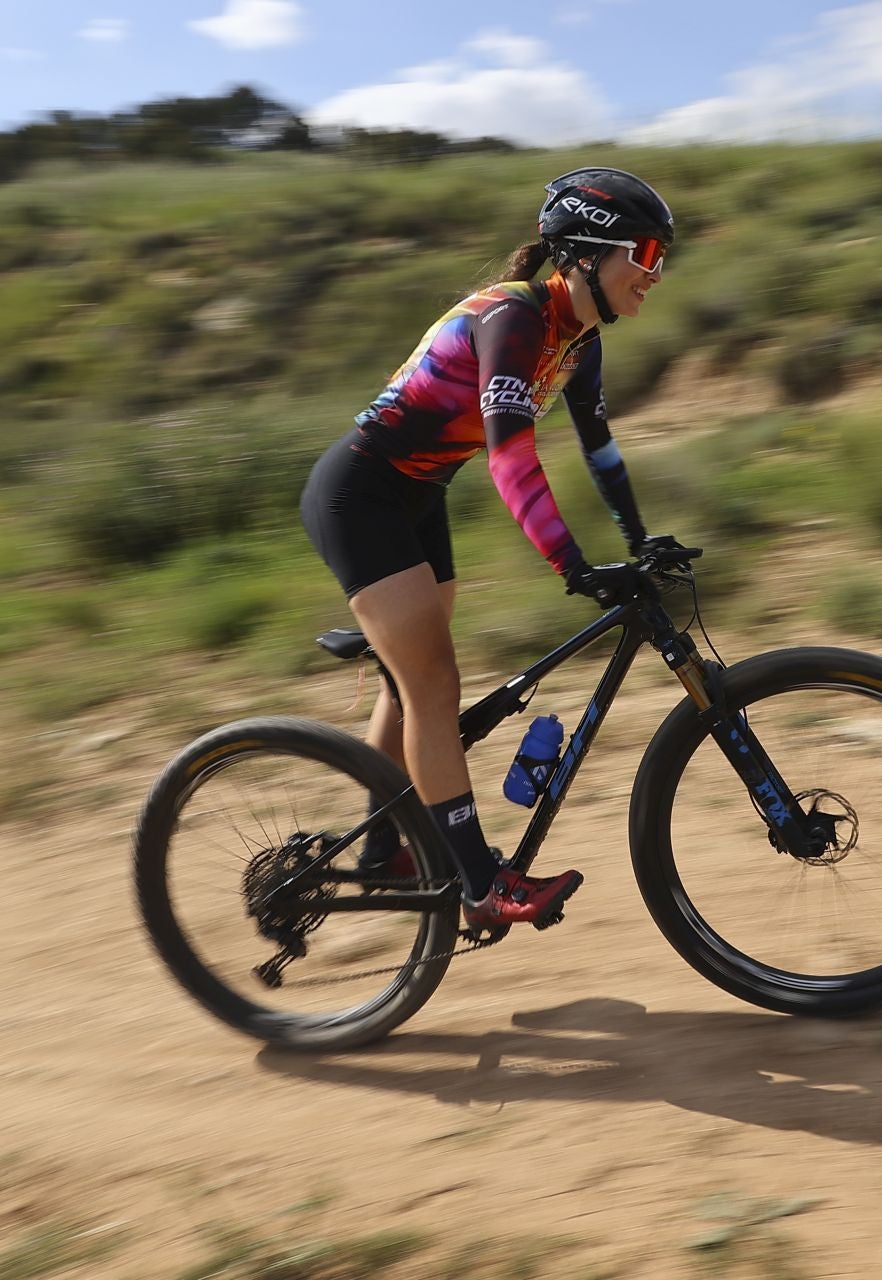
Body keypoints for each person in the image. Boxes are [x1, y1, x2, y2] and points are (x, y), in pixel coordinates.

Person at [298, 166, 684, 930]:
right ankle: (482, 887)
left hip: (418, 495)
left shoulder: (580, 343)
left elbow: (600, 452)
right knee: (434, 687)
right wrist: (572, 565)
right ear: (585, 254)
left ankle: (381, 850)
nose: (655, 273)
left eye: (661, 258)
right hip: (360, 494)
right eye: (643, 254)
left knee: (410, 687)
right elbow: (510, 457)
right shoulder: (513, 318)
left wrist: (641, 539)